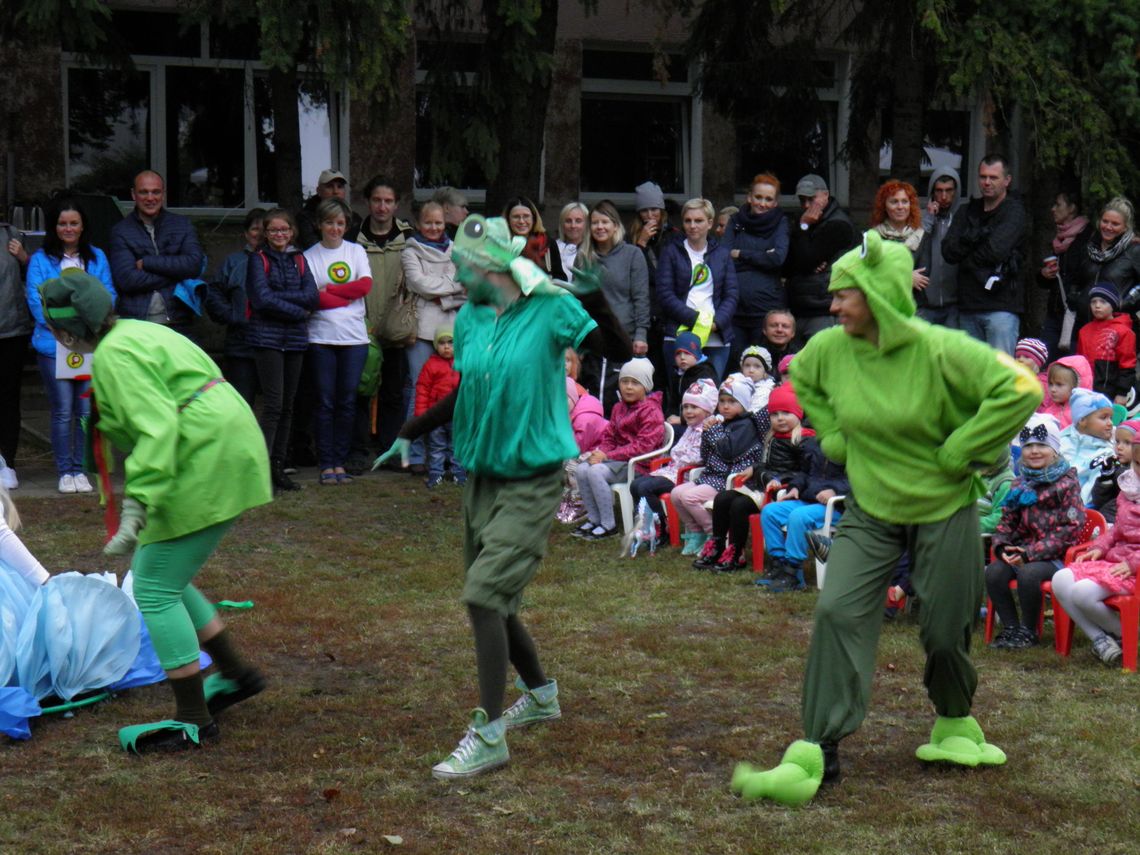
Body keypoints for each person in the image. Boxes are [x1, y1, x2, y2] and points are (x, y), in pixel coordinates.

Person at [731, 230, 1041, 807]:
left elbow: (1021, 386)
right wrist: (835, 435)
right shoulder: (828, 349)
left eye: (843, 294)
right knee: (836, 611)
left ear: (878, 294)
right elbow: (805, 381)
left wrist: (963, 448)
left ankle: (954, 719)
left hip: (943, 507)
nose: (832, 306)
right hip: (871, 509)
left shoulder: (941, 349)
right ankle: (819, 745)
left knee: (945, 630)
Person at [373, 214, 632, 780]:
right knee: (496, 601)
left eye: (463, 267)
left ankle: (488, 734)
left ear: (493, 266)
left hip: (533, 477)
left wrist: (594, 294)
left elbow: (615, 348)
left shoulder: (548, 307)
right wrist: (411, 430)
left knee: (483, 594)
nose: (457, 277)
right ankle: (540, 694)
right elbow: (471, 388)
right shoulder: (469, 318)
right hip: (483, 478)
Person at [38, 270, 271, 754]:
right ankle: (234, 673)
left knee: (153, 587)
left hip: (203, 450)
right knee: (163, 572)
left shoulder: (115, 356)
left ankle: (193, 719)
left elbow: (156, 428)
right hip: (219, 440)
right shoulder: (139, 330)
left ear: (67, 331)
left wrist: (137, 501)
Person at [25, 198, 117, 494]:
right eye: (62, 223)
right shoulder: (40, 259)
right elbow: (36, 302)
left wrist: (89, 322)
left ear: (82, 226)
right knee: (63, 411)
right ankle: (65, 471)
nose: (68, 228)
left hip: (88, 345)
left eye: (74, 223)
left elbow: (108, 295)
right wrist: (66, 323)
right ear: (54, 227)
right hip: (54, 346)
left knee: (86, 410)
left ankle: (81, 469)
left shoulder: (96, 257)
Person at [693, 383, 819, 576]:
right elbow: (767, 464)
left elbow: (804, 472)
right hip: (762, 485)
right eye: (774, 415)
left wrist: (773, 478)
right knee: (723, 498)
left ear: (798, 414)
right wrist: (756, 468)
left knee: (739, 505)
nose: (780, 418)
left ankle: (737, 551)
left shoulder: (803, 439)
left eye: (786, 413)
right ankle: (718, 544)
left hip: (780, 491)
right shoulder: (773, 437)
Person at [986, 414, 1084, 649]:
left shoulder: (1067, 484)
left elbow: (1069, 530)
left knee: (1028, 574)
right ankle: (1011, 627)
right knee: (994, 572)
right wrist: (1002, 547)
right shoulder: (1019, 484)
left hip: (1055, 557)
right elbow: (1006, 521)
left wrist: (1030, 553)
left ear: (1055, 450)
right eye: (1028, 446)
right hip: (1022, 551)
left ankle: (1029, 630)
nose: (1034, 451)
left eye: (1042, 445)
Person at [246, 209, 320, 492]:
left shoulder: (299, 259)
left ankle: (278, 466)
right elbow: (261, 299)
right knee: (273, 406)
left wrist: (283, 300)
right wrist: (298, 311)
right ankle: (262, 469)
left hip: (295, 340)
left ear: (292, 232)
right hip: (267, 340)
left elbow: (312, 295)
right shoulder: (258, 260)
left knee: (288, 406)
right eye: (273, 230)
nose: (279, 234)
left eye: (284, 230)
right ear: (266, 233)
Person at [1052, 430, 1140, 665]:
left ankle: (1128, 634)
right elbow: (1117, 529)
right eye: (1137, 463)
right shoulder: (1130, 487)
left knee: (1082, 593)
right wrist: (1100, 546)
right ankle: (1101, 639)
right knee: (1060, 579)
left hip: (1134, 570)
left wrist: (1133, 563)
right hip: (1115, 562)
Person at [304, 198, 373, 485]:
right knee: (325, 402)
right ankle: (326, 462)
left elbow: (365, 285)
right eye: (330, 222)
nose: (335, 228)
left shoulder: (356, 251)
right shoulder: (308, 257)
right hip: (320, 337)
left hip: (354, 339)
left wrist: (330, 289)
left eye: (340, 223)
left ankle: (340, 462)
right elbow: (313, 299)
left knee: (347, 401)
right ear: (319, 224)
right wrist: (346, 294)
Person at [348, 175, 415, 469]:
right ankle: (359, 451)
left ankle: (390, 450)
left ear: (396, 205)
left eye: (388, 201)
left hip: (396, 326)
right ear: (367, 202)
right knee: (360, 391)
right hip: (360, 327)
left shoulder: (410, 239)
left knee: (393, 392)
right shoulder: (352, 238)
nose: (382, 207)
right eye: (377, 200)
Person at [670, 374, 768, 557]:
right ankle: (696, 532)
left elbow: (729, 452)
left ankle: (713, 535)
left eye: (732, 401)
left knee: (689, 498)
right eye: (722, 401)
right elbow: (706, 455)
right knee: (676, 494)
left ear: (744, 403)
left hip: (729, 481)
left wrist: (713, 430)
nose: (725, 406)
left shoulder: (746, 426)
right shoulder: (723, 423)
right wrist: (707, 432)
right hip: (711, 476)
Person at [401, 200, 466, 473]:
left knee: (453, 391)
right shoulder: (410, 251)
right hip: (422, 330)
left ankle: (450, 455)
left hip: (452, 328)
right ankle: (415, 455)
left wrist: (444, 296)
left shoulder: (457, 250)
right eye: (428, 222)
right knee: (420, 390)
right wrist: (450, 288)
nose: (434, 227)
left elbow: (466, 285)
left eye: (438, 222)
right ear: (419, 223)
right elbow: (418, 283)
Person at [941, 154, 1028, 355]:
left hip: (1001, 308)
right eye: (983, 177)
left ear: (1007, 180)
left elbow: (994, 251)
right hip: (968, 306)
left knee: (998, 370)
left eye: (993, 177)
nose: (987, 182)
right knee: (969, 372)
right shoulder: (966, 211)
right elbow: (948, 251)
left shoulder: (1014, 212)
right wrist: (975, 242)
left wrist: (967, 251)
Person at [570, 358, 663, 540]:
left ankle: (608, 524)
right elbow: (610, 436)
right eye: (624, 381)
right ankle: (594, 519)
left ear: (645, 386)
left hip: (640, 465)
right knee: (581, 469)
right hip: (617, 461)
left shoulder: (651, 411)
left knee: (595, 472)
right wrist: (600, 452)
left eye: (635, 383)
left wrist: (607, 456)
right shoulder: (618, 407)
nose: (628, 387)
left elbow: (643, 447)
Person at [108, 170, 206, 338]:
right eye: (143, 192)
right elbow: (127, 280)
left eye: (156, 192)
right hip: (136, 324)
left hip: (179, 321)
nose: (150, 198)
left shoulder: (182, 225)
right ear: (133, 194)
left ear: (163, 194)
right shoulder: (120, 231)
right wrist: (177, 273)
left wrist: (147, 263)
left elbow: (194, 264)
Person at [577, 200, 650, 413]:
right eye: (595, 223)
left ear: (616, 225)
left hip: (623, 337)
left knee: (621, 397)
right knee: (591, 394)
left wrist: (641, 334)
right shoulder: (583, 257)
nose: (600, 227)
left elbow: (641, 297)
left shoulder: (633, 255)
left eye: (605, 222)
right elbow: (577, 301)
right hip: (592, 337)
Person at [628, 378, 718, 548]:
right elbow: (678, 451)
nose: (688, 412)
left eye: (694, 407)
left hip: (684, 477)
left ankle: (662, 528)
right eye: (685, 407)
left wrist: (677, 462)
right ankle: (646, 525)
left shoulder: (707, 430)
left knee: (645, 488)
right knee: (635, 485)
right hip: (672, 471)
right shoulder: (690, 428)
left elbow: (698, 458)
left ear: (707, 411)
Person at [656, 198, 739, 378]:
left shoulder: (722, 254)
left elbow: (731, 294)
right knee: (681, 392)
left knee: (712, 391)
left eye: (698, 220)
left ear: (710, 223)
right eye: (688, 220)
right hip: (679, 333)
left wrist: (716, 323)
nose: (692, 226)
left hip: (716, 337)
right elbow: (665, 294)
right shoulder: (671, 251)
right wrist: (697, 321)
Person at [721, 173, 790, 366]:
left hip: (766, 310)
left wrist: (740, 254)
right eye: (758, 197)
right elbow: (724, 257)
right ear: (749, 197)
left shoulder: (781, 222)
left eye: (768, 199)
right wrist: (762, 256)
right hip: (735, 310)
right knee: (736, 367)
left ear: (775, 202)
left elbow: (777, 258)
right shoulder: (735, 221)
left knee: (763, 366)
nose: (762, 203)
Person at [781, 174, 857, 342]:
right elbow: (787, 265)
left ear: (825, 195)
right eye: (802, 200)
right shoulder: (804, 221)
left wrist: (803, 227)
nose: (806, 205)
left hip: (823, 308)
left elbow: (806, 261)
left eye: (811, 199)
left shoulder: (838, 224)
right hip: (800, 305)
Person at [205, 208, 266, 407]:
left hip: (273, 345)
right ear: (246, 233)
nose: (260, 234)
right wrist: (233, 316)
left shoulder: (281, 260)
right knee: (242, 403)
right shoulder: (234, 262)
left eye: (264, 229)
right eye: (255, 229)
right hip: (241, 346)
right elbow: (213, 292)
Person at [629, 181, 682, 382]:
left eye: (654, 209)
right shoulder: (631, 239)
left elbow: (667, 275)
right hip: (645, 312)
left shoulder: (674, 237)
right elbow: (635, 272)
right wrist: (641, 244)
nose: (650, 215)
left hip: (668, 312)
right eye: (644, 210)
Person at [1036, 189, 1092, 356]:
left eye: (1058, 205)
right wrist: (1044, 274)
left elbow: (1087, 274)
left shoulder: (1088, 237)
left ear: (1072, 208)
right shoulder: (1059, 237)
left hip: (1076, 314)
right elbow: (1050, 279)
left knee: (1070, 363)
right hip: (1054, 312)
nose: (1053, 209)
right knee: (1044, 359)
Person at [1075, 196, 1140, 324]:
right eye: (1105, 221)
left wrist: (1125, 302)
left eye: (1115, 224)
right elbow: (1076, 280)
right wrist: (1076, 297)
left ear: (1125, 227)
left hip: (1116, 325)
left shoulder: (1134, 251)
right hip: (1084, 323)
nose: (1108, 227)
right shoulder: (1088, 248)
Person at [0, 218, 30, 490]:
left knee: (8, 399)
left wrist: (24, 259)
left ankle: (7, 462)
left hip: (11, 331)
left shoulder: (10, 233)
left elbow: (35, 276)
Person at [414, 326, 464, 488]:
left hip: (457, 414)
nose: (447, 347)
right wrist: (422, 413)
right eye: (442, 343)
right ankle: (436, 473)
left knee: (457, 445)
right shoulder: (431, 365)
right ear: (436, 346)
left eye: (451, 343)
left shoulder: (463, 364)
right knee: (436, 446)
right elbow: (422, 389)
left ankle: (459, 473)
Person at [916, 167, 963, 328]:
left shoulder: (962, 218)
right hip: (924, 305)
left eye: (949, 190)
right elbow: (914, 250)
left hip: (955, 306)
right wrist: (928, 219)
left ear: (956, 191)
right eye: (939, 191)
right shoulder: (921, 218)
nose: (944, 196)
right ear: (932, 192)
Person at [1076, 283, 1135, 403]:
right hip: (1086, 390)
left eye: (1103, 302)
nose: (1097, 306)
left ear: (1113, 305)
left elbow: (1127, 365)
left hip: (1110, 393)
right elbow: (1079, 362)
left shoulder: (1123, 331)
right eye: (1093, 302)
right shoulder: (1084, 331)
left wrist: (1122, 393)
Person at [1059, 388, 1115, 505]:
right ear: (1082, 420)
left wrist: (1075, 505)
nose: (1110, 423)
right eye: (1104, 418)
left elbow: (1092, 488)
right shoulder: (1061, 439)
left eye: (1111, 418)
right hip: (1052, 498)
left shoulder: (1106, 454)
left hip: (1081, 505)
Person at [870, 180, 926, 293]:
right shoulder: (873, 237)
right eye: (894, 202)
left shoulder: (922, 235)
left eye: (904, 201)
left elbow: (923, 274)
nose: (900, 207)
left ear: (910, 205)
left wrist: (888, 274)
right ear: (884, 206)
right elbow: (871, 273)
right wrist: (907, 277)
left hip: (914, 301)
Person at [661, 332, 718, 428]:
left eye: (687, 353)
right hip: (681, 420)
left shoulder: (705, 374)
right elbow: (673, 403)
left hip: (700, 425)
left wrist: (682, 420)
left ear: (697, 354)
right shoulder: (678, 374)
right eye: (678, 353)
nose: (682, 357)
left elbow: (706, 410)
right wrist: (669, 416)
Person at [503, 196, 566, 281]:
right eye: (516, 217)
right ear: (507, 220)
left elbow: (560, 278)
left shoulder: (548, 244)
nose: (521, 221)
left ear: (534, 218)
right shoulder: (500, 245)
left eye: (526, 216)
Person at [296, 169, 361, 250]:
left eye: (339, 186)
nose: (335, 191)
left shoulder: (355, 219)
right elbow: (313, 248)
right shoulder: (305, 218)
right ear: (318, 191)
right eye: (330, 186)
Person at [1090, 419, 1140, 524]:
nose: (1119, 447)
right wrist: (1105, 478)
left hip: (1126, 524)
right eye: (1117, 441)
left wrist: (1116, 472)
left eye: (1127, 443)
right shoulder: (1114, 465)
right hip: (1107, 520)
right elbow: (1099, 501)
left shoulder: (1134, 474)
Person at [1038, 354, 1091, 429]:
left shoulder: (1082, 415)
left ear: (1076, 386)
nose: (1053, 389)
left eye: (1059, 385)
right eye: (1051, 384)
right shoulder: (1048, 410)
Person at [758, 309, 798, 380]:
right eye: (774, 326)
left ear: (793, 333)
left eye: (785, 326)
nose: (779, 330)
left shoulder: (800, 357)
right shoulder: (753, 356)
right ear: (764, 330)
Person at [556, 202, 590, 280]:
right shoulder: (551, 248)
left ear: (587, 224)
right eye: (568, 221)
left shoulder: (593, 251)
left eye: (578, 221)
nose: (573, 226)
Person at [739, 345, 775, 411]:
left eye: (757, 366)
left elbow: (755, 411)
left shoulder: (767, 390)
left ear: (765, 371)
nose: (751, 370)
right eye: (747, 365)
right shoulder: (736, 384)